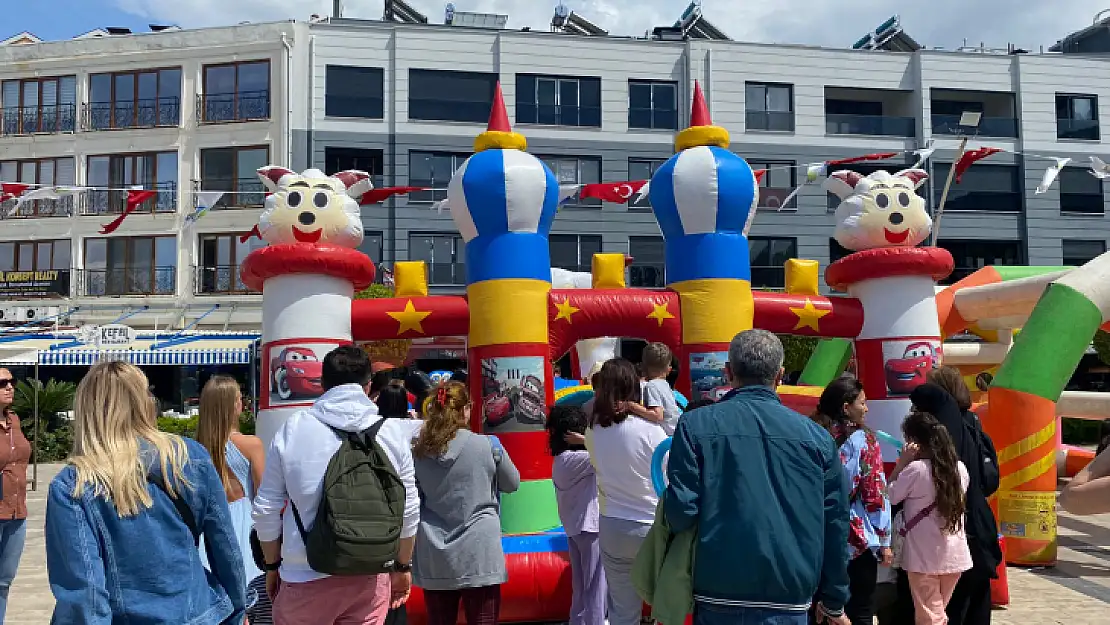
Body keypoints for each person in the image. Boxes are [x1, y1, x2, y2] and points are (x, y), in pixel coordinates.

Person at [665, 330, 850, 625]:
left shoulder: (694, 425)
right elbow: (836, 523)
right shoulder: (818, 439)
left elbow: (681, 513)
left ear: (728, 372)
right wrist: (834, 597)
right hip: (790, 593)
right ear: (780, 375)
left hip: (719, 588)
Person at [45, 361, 246, 623]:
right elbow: (226, 548)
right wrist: (238, 609)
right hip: (198, 613)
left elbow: (86, 593)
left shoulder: (75, 484)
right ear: (143, 401)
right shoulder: (188, 457)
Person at [252, 346, 420, 625]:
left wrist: (272, 566)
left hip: (304, 575)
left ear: (323, 385)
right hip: (369, 575)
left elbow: (266, 509)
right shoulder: (392, 433)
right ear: (368, 386)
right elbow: (409, 510)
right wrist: (402, 566)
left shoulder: (294, 429)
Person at [411, 381, 520, 625]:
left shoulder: (418, 450)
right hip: (479, 549)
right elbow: (512, 483)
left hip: (434, 549)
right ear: (465, 410)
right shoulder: (487, 445)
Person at [910, 381, 1001, 625]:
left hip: (951, 540)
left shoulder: (938, 447)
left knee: (949, 610)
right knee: (976, 604)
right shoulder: (971, 426)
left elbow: (897, 494)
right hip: (978, 531)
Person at [585, 358, 668, 625]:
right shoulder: (651, 431)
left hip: (612, 524)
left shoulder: (593, 430)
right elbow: (666, 477)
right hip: (649, 524)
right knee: (664, 605)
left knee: (622, 609)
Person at [810, 376, 892, 625]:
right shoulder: (864, 441)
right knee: (861, 611)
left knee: (819, 610)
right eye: (863, 403)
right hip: (855, 537)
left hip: (816, 534)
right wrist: (884, 538)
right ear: (846, 407)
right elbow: (874, 493)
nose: (866, 409)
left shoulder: (811, 433)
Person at [888, 410, 973, 625]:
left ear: (916, 441)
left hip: (922, 557)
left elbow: (890, 495)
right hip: (955, 556)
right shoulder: (960, 469)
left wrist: (901, 463)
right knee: (937, 614)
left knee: (930, 618)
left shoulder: (916, 469)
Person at [196, 376, 266, 595]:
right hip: (246, 527)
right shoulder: (251, 444)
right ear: (235, 405)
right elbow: (265, 495)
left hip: (207, 530)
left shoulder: (196, 447)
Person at [547, 405, 605, 625]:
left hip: (575, 529)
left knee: (581, 589)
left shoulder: (561, 460)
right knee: (595, 590)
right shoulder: (578, 459)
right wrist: (585, 440)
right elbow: (609, 451)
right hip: (590, 528)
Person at [0, 368, 30, 624]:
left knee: (4, 581)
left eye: (12, 381)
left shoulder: (15, 421)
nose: (10, 387)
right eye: (2, 383)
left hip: (16, 512)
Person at [627, 343, 680, 434]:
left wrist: (632, 406)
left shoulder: (652, 386)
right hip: (675, 429)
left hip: (667, 433)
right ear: (668, 370)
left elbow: (657, 415)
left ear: (643, 366)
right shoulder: (665, 385)